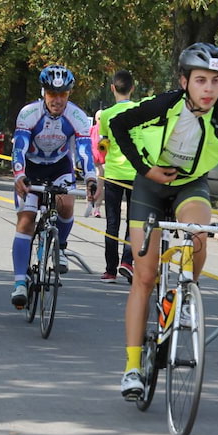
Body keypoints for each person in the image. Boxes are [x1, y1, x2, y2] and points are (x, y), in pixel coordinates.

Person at [109, 42, 218, 399]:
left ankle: (185, 294)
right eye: (201, 80)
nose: (209, 89)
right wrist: (145, 169)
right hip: (151, 184)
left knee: (198, 233)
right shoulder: (165, 104)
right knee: (144, 276)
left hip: (190, 184)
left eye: (216, 81)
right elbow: (119, 125)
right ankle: (131, 368)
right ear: (184, 80)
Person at [9, 64, 98, 308]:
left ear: (69, 94)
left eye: (62, 95)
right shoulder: (29, 113)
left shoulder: (77, 117)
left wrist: (91, 177)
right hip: (31, 168)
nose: (57, 100)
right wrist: (19, 175)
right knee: (26, 219)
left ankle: (60, 247)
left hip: (59, 167)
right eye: (52, 94)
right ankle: (19, 283)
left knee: (66, 204)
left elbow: (84, 150)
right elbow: (20, 147)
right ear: (44, 93)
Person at [98, 69, 137, 284]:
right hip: (135, 173)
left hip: (113, 174)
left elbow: (104, 143)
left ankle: (110, 270)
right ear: (132, 88)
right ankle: (128, 262)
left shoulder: (105, 115)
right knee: (133, 222)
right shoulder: (139, 111)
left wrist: (101, 148)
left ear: (112, 88)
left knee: (112, 223)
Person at [85, 109, 105, 218]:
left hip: (102, 161)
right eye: (99, 118)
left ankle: (97, 208)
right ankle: (89, 204)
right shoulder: (91, 130)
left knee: (100, 185)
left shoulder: (106, 131)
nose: (100, 121)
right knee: (90, 183)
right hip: (92, 161)